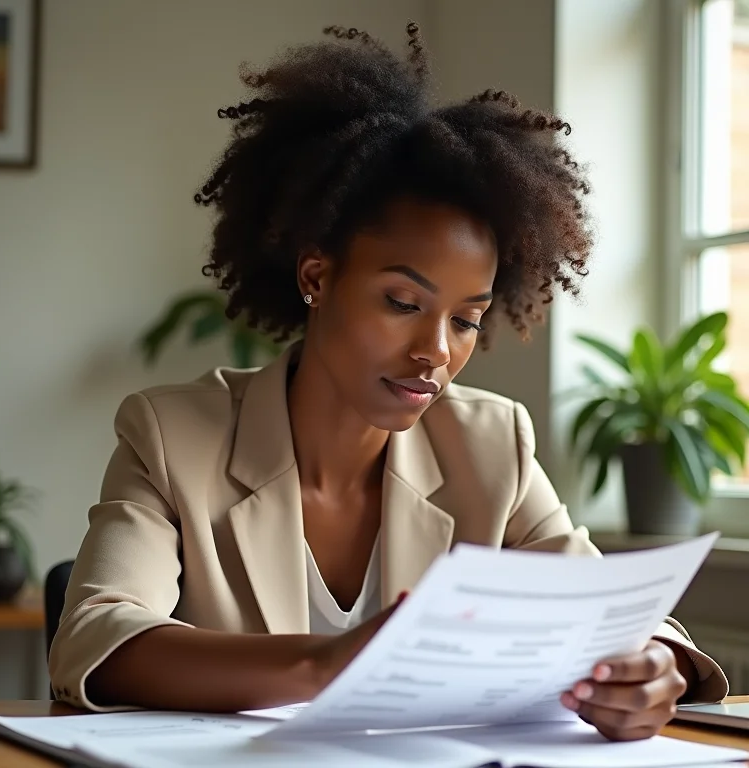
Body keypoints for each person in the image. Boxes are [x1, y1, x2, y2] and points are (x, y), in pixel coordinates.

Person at [49, 22, 728, 741]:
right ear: (317, 276)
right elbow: (97, 636)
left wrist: (653, 666)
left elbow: (612, 617)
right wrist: (327, 663)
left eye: (466, 320)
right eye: (403, 303)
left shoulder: (492, 442)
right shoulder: (172, 435)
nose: (435, 351)